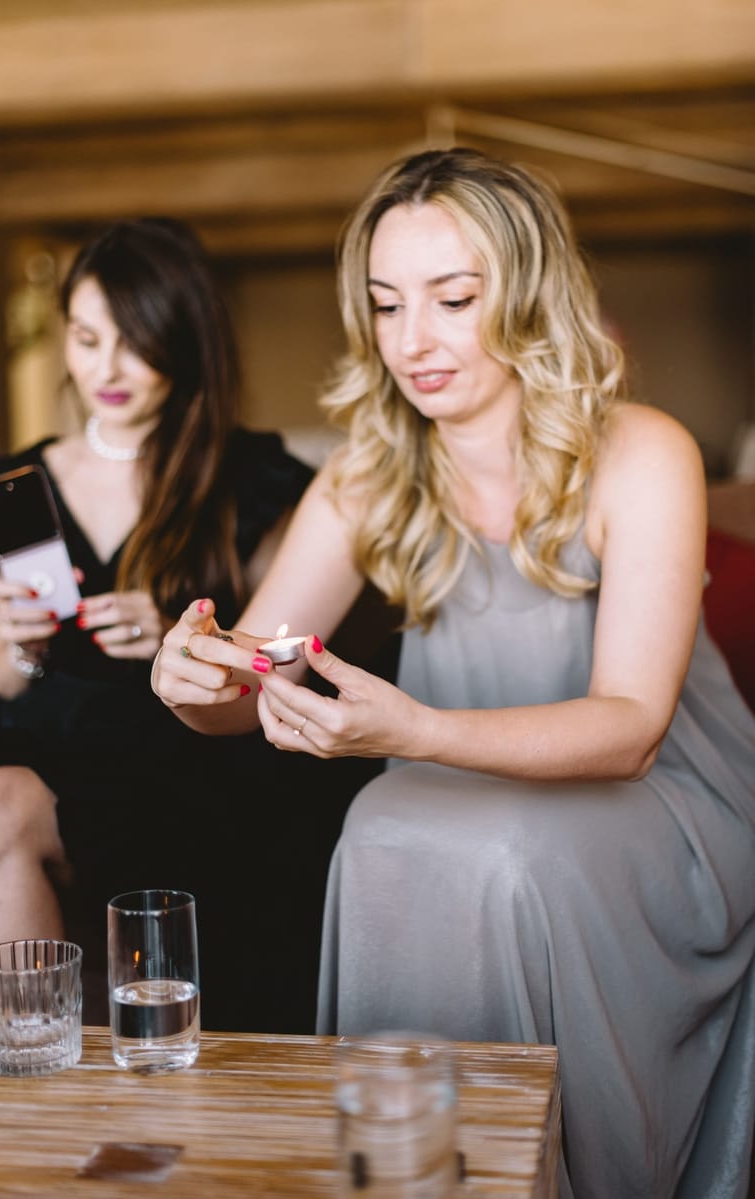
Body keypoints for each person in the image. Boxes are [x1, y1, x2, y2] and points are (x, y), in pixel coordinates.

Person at [151, 148, 755, 1196]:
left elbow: (629, 726)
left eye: (453, 298)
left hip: (665, 803)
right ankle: (411, 1174)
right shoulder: (370, 469)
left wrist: (411, 731)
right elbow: (252, 672)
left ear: (525, 293)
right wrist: (193, 680)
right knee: (380, 826)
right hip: (447, 777)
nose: (410, 340)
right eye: (385, 305)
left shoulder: (637, 450)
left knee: (489, 846)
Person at [0, 216, 338, 1030]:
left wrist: (177, 631)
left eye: (135, 342)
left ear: (186, 341)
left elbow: (288, 648)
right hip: (57, 748)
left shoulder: (252, 482)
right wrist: (17, 645)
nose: (107, 369)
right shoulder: (16, 487)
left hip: (195, 756)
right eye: (87, 339)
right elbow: (3, 687)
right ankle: (33, 1067)